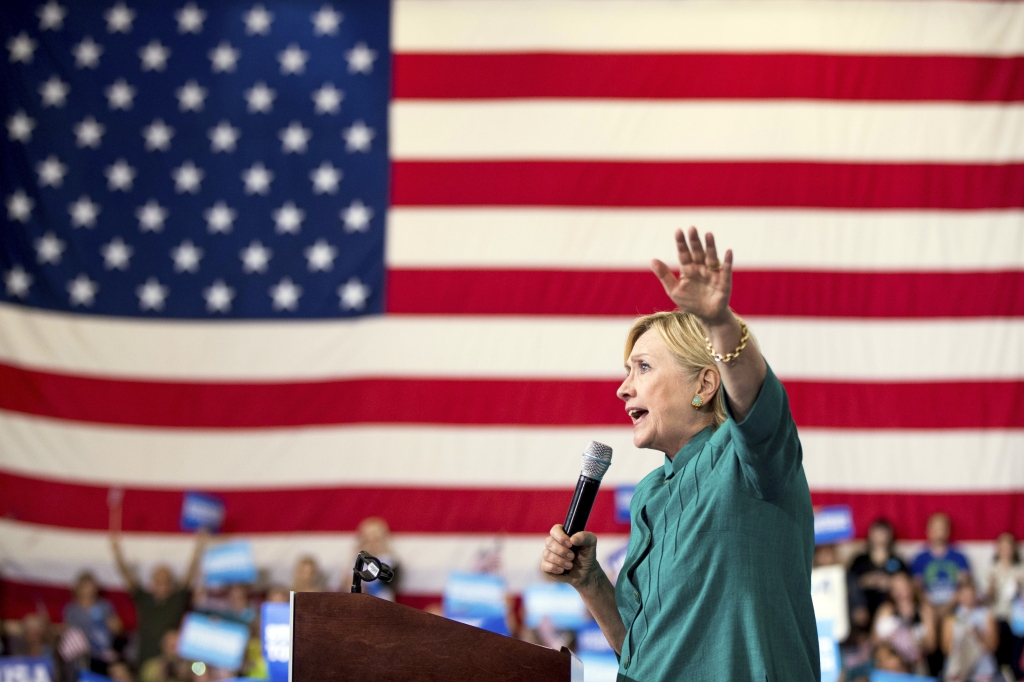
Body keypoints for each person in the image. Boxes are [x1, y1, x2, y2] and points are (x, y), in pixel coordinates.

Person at [540, 228, 819, 681]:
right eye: (627, 371)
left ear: (705, 386)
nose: (623, 387)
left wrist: (719, 323)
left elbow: (755, 402)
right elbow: (644, 650)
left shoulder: (750, 461)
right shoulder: (651, 493)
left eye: (643, 367)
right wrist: (589, 581)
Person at [109, 499, 207, 666]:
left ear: (171, 584)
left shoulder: (177, 599)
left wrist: (200, 546)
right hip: (145, 666)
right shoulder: (143, 599)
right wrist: (117, 553)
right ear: (152, 584)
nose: (161, 585)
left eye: (165, 581)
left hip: (171, 667)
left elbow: (190, 571)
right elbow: (126, 575)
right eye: (157, 581)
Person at [872, 571, 937, 676]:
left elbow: (931, 646)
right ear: (891, 592)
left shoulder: (924, 610)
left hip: (918, 664)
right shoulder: (886, 610)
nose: (901, 591)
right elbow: (874, 642)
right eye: (896, 588)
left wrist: (916, 642)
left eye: (903, 586)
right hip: (891, 665)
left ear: (911, 586)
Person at [62, 571, 123, 673]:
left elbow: (118, 629)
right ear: (78, 588)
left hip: (102, 653)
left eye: (91, 586)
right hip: (79, 654)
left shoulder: (105, 606)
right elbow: (68, 632)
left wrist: (116, 626)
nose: (88, 590)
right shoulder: (71, 610)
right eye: (85, 586)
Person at [849, 519, 909, 621]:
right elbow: (849, 581)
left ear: (890, 535)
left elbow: (907, 585)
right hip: (863, 606)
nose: (880, 537)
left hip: (891, 609)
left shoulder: (897, 561)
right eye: (877, 532)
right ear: (870, 534)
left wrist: (891, 583)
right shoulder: (859, 560)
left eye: (883, 533)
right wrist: (865, 581)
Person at [941, 577, 999, 682]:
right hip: (959, 664)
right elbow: (946, 649)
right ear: (958, 596)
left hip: (982, 664)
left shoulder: (986, 615)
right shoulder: (952, 618)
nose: (968, 598)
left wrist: (978, 635)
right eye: (964, 594)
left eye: (971, 594)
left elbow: (992, 646)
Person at [911, 512, 971, 612]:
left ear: (948, 531)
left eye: (942, 528)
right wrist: (931, 608)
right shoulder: (920, 559)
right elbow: (917, 589)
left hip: (955, 608)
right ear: (928, 531)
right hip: (928, 610)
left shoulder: (959, 557)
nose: (939, 532)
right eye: (935, 528)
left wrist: (948, 607)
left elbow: (965, 586)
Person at [986, 532, 1023, 678]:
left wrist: (1020, 589)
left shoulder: (1021, 570)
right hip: (998, 616)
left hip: (1018, 618)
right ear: (997, 548)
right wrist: (992, 587)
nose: (1006, 549)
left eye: (1009, 545)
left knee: (1016, 650)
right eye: (1003, 545)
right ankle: (1002, 670)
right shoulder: (991, 569)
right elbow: (987, 599)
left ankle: (1014, 671)